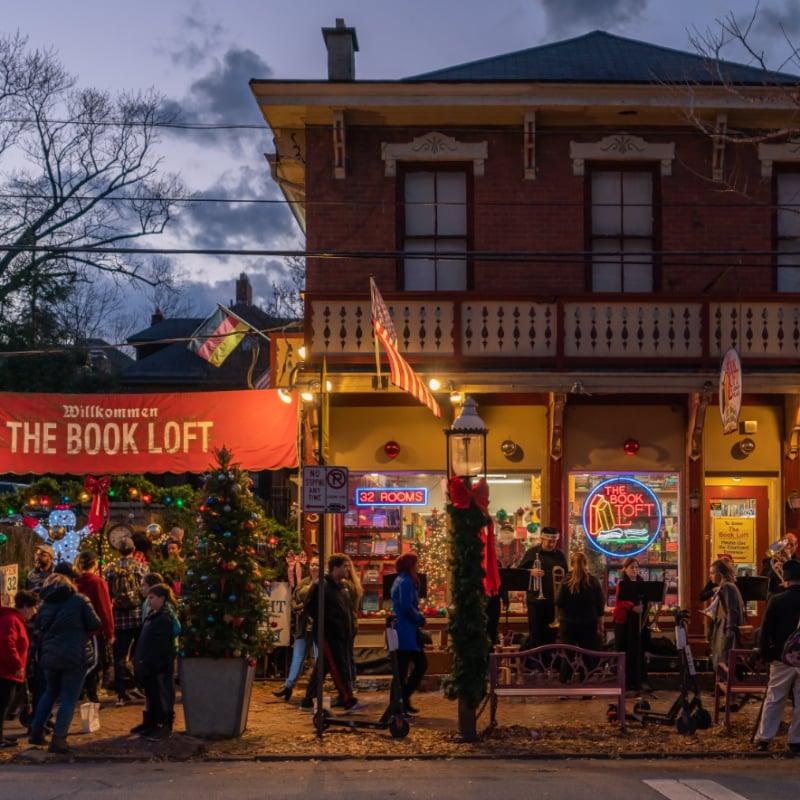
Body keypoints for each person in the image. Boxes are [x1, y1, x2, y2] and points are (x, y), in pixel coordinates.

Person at [28, 573, 101, 754]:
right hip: (75, 655)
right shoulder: (80, 600)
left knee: (50, 692)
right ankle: (59, 738)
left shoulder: (44, 605)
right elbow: (95, 623)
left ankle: (36, 731)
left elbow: (39, 627)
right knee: (69, 697)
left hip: (50, 655)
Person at [299, 553, 366, 714]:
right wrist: (328, 623)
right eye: (345, 566)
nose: (348, 568)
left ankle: (308, 700)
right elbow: (310, 607)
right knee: (337, 667)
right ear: (335, 568)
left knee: (323, 667)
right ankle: (347, 700)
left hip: (341, 634)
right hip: (328, 635)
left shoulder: (342, 587)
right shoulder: (322, 586)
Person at [754, 558, 800, 754]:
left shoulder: (778, 600)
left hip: (782, 656)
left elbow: (766, 631)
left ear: (787, 580)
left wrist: (765, 653)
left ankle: (764, 738)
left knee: (775, 697)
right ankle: (796, 740)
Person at [132, 583, 181, 740]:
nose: (149, 601)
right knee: (153, 695)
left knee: (160, 695)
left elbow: (160, 646)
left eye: (152, 598)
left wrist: (151, 661)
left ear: (162, 598)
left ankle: (163, 725)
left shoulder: (163, 618)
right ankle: (151, 723)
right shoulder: (153, 615)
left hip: (156, 665)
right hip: (148, 664)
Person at [104, 537, 148, 706]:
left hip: (119, 618)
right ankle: (138, 685)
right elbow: (145, 591)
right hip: (137, 617)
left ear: (118, 550)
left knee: (120, 656)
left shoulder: (110, 569)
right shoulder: (140, 567)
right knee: (139, 653)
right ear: (133, 549)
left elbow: (108, 593)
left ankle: (121, 693)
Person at [273, 556, 320, 702]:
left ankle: (316, 689)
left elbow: (314, 600)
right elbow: (294, 602)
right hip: (303, 626)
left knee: (319, 659)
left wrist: (304, 605)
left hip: (318, 626)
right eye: (312, 564)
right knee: (297, 657)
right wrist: (299, 607)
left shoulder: (323, 583)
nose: (313, 567)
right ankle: (288, 686)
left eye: (317, 565)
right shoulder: (304, 582)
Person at [0, 590, 40, 748]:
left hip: (10, 671)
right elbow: (6, 644)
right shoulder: (11, 620)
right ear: (25, 606)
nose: (34, 611)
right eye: (33, 607)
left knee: (4, 705)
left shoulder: (16, 620)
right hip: (6, 672)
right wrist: (16, 664)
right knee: (2, 705)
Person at [517, 526, 568, 647]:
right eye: (549, 541)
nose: (551, 544)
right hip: (535, 601)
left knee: (551, 635)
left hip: (553, 602)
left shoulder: (559, 555)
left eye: (554, 542)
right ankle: (536, 664)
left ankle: (549, 663)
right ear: (542, 539)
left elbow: (566, 575)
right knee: (536, 634)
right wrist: (531, 571)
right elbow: (519, 572)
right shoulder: (532, 553)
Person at [390, 552, 428, 716]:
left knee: (406, 668)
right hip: (405, 631)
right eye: (416, 563)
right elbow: (406, 606)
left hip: (405, 630)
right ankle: (400, 701)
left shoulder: (402, 580)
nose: (418, 566)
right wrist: (419, 618)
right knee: (411, 666)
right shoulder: (405, 582)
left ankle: (401, 701)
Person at [75, 550, 115, 703]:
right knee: (96, 661)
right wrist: (109, 631)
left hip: (79, 628)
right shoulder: (98, 582)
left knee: (85, 660)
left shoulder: (74, 582)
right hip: (94, 630)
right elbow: (105, 608)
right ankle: (90, 692)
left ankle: (85, 691)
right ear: (95, 564)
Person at [612, 556, 649, 692]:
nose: (635, 570)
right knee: (624, 649)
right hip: (624, 621)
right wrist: (633, 607)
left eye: (637, 567)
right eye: (632, 567)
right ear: (625, 569)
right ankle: (624, 682)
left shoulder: (641, 582)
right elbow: (621, 600)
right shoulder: (622, 583)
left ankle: (637, 680)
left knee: (637, 650)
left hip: (637, 620)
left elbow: (646, 598)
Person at [556, 551, 605, 652]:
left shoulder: (566, 581)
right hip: (589, 625)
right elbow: (600, 606)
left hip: (568, 625)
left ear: (571, 564)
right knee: (588, 657)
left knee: (567, 658)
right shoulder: (593, 581)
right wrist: (601, 625)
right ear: (586, 564)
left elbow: (559, 602)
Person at [708, 557, 746, 671]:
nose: (710, 576)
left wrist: (729, 631)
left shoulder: (727, 586)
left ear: (719, 574)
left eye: (712, 573)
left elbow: (732, 610)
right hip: (723, 629)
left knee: (723, 662)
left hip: (724, 631)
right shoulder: (728, 586)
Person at [339, 553, 363, 706]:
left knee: (345, 656)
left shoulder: (346, 586)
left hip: (347, 625)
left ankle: (349, 686)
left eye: (348, 566)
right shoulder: (354, 585)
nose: (346, 568)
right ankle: (350, 684)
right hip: (351, 624)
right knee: (348, 655)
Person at [760, 532, 798, 599]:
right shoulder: (769, 561)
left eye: (791, 545)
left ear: (796, 546)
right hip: (774, 599)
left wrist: (789, 583)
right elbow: (763, 583)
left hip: (794, 600)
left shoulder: (798, 562)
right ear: (781, 544)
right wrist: (772, 571)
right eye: (786, 544)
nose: (788, 547)